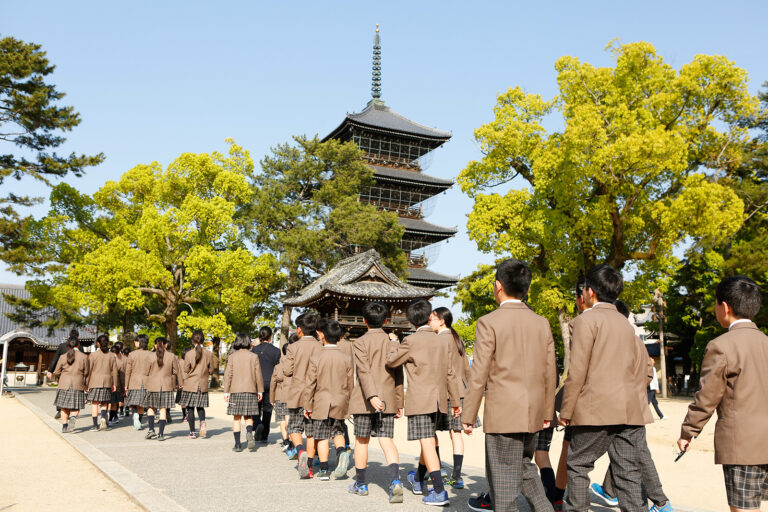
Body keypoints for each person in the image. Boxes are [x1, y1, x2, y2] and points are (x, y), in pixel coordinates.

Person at [460, 259, 555, 512]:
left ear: (498, 286)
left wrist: (468, 414)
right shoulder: (541, 322)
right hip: (533, 412)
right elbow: (550, 372)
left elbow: (478, 373)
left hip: (503, 413)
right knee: (525, 469)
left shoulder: (489, 322)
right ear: (526, 289)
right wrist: (547, 412)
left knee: (502, 485)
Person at [559, 265, 649, 512]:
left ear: (590, 292)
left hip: (596, 407)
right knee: (627, 472)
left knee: (578, 464)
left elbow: (577, 371)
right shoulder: (626, 325)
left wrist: (566, 410)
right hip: (629, 409)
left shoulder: (584, 321)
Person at [678, 276, 768, 512]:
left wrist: (688, 431)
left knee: (744, 508)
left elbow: (707, 396)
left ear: (725, 307)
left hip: (743, 443)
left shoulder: (721, 345)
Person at [590, 300, 672, 512]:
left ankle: (661, 502)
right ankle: (610, 491)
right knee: (625, 450)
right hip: (634, 404)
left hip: (614, 405)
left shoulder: (613, 339)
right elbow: (648, 372)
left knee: (636, 453)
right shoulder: (634, 339)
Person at [387, 298, 460, 506]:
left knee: (427, 442)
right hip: (440, 399)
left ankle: (438, 490)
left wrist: (394, 342)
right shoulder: (442, 340)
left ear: (411, 321)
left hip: (420, 398)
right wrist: (455, 401)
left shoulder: (410, 341)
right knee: (430, 439)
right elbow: (450, 374)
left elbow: (391, 361)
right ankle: (418, 479)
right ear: (430, 317)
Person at [348, 301, 405, 502]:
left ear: (364, 321)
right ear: (386, 320)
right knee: (387, 440)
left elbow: (363, 371)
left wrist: (371, 396)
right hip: (388, 398)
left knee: (362, 441)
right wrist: (399, 402)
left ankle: (361, 484)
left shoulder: (360, 342)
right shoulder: (392, 343)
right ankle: (395, 482)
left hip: (364, 400)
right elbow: (399, 375)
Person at [302, 318, 354, 481]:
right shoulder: (346, 358)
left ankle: (324, 470)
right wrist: (348, 403)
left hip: (321, 402)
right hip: (340, 401)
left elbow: (311, 383)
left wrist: (307, 405)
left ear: (322, 335)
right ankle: (341, 452)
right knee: (338, 431)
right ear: (339, 337)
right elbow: (350, 383)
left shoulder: (316, 357)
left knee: (322, 436)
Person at [430, 306, 471, 490]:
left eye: (432, 318)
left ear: (442, 320)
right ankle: (457, 475)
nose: (429, 321)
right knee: (456, 433)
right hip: (462, 390)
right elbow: (467, 369)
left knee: (431, 432)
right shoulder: (457, 338)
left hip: (445, 392)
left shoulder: (439, 340)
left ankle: (437, 470)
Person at [283, 312, 322, 478]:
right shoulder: (321, 346)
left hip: (297, 393)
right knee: (311, 431)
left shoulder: (293, 347)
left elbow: (286, 370)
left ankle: (300, 451)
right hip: (316, 394)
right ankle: (311, 467)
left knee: (294, 428)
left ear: (299, 329)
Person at [224, 332, 264, 452]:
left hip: (235, 391)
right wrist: (260, 391)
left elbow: (228, 375)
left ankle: (237, 445)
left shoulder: (232, 357)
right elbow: (258, 375)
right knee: (248, 416)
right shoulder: (254, 356)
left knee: (236, 418)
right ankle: (249, 433)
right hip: (251, 390)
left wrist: (226, 392)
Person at [143, 337, 181, 441]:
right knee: (162, 409)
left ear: (155, 345)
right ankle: (161, 434)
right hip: (166, 385)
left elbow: (146, 372)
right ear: (165, 345)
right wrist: (179, 383)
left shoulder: (150, 356)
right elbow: (176, 371)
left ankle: (151, 430)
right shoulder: (171, 356)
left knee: (151, 407)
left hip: (152, 385)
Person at [179, 330, 216, 439]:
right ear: (203, 340)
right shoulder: (208, 353)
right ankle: (203, 423)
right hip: (202, 383)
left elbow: (185, 369)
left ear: (192, 340)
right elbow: (211, 370)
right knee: (200, 407)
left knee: (190, 408)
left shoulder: (189, 354)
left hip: (190, 383)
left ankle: (192, 432)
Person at [52, 336, 89, 433]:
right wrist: (86, 384)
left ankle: (64, 426)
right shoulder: (84, 357)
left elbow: (56, 371)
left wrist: (59, 377)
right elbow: (87, 372)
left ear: (68, 345)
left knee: (64, 406)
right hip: (78, 383)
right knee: (75, 406)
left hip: (64, 383)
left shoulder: (63, 356)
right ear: (79, 344)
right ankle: (72, 417)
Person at [251, 325, 281, 443]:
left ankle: (257, 423)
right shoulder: (276, 351)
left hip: (256, 382)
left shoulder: (254, 350)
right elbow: (278, 368)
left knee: (256, 407)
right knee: (268, 408)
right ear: (270, 336)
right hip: (270, 381)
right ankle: (264, 435)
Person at [47, 328, 82, 419]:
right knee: (74, 392)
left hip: (63, 373)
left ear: (69, 336)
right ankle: (71, 411)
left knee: (61, 391)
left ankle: (60, 410)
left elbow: (55, 359)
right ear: (77, 337)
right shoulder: (80, 347)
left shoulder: (62, 346)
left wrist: (51, 371)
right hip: (76, 374)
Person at [86, 334, 118, 432]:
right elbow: (114, 371)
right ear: (107, 343)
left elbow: (89, 370)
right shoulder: (112, 356)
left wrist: (86, 384)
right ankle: (103, 418)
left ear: (98, 343)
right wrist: (115, 384)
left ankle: (95, 425)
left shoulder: (93, 355)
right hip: (107, 382)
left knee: (94, 403)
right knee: (104, 402)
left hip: (94, 381)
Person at [125, 334, 154, 430]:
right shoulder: (151, 354)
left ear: (139, 342)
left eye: (136, 341)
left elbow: (128, 371)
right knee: (142, 404)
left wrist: (126, 384)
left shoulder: (132, 354)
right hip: (147, 382)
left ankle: (135, 415)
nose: (135, 343)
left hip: (134, 381)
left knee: (133, 403)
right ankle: (139, 422)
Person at [108, 341, 125, 425]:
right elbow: (122, 376)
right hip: (116, 384)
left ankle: (104, 417)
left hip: (106, 383)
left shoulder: (106, 360)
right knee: (114, 403)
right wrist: (123, 387)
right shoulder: (120, 361)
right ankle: (112, 419)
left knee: (105, 403)